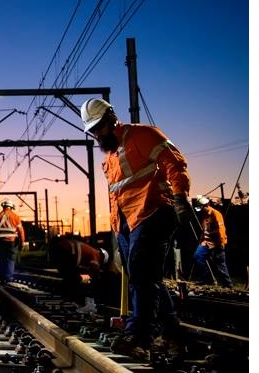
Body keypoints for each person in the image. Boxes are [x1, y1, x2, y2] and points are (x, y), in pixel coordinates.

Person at [80, 97, 190, 365]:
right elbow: (117, 194)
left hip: (155, 212)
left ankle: (139, 338)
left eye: (99, 127)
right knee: (144, 277)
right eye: (92, 130)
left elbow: (174, 164)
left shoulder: (143, 134)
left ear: (111, 118)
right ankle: (173, 335)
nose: (96, 134)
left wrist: (180, 197)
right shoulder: (109, 156)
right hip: (127, 222)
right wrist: (117, 229)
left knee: (141, 273)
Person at [48, 235, 120, 310]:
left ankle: (76, 300)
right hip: (69, 255)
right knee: (87, 281)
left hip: (66, 255)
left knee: (74, 279)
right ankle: (89, 303)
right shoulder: (96, 257)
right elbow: (93, 273)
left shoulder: (90, 250)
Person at [190, 195, 233, 287]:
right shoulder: (204, 215)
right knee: (197, 256)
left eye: (201, 207)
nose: (200, 210)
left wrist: (220, 244)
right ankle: (205, 279)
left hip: (217, 242)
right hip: (205, 242)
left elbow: (221, 230)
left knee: (220, 264)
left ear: (207, 205)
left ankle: (228, 285)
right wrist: (202, 239)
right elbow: (204, 229)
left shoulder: (216, 214)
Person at [0, 200, 26, 283]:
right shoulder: (16, 217)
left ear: (3, 206)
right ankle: (8, 278)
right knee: (10, 259)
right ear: (11, 207)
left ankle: (2, 278)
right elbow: (21, 231)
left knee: (2, 259)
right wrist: (22, 243)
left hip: (0, 242)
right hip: (12, 242)